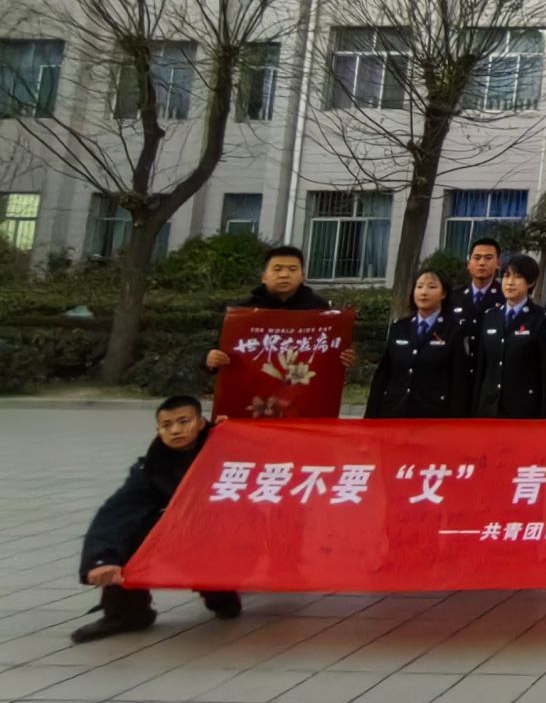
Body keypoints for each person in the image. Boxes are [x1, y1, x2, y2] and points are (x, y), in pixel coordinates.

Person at [71, 397, 241, 643]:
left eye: (184, 422)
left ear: (201, 422)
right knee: (132, 532)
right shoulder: (152, 467)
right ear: (158, 430)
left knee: (210, 539)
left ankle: (221, 595)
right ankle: (128, 614)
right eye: (167, 425)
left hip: (242, 531)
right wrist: (101, 559)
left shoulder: (231, 446)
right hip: (195, 533)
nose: (175, 430)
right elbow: (118, 512)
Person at [205, 246, 355, 374]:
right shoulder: (243, 311)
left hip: (302, 390)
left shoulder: (319, 309)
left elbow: (331, 350)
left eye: (292, 269)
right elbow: (220, 350)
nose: (284, 275)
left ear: (302, 276)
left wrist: (344, 358)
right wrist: (212, 359)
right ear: (264, 277)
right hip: (253, 388)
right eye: (277, 269)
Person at [366, 268, 467, 418]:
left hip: (434, 415)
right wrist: (371, 416)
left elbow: (459, 381)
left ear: (444, 293)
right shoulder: (399, 328)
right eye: (419, 286)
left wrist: (456, 422)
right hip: (395, 412)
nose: (423, 292)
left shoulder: (454, 330)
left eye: (431, 287)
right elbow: (383, 375)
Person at [467, 254, 546, 418]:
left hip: (524, 409)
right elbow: (482, 367)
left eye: (518, 277)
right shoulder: (490, 316)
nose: (510, 282)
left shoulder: (541, 318)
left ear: (530, 282)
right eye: (506, 276)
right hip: (490, 408)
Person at [451, 238, 506, 323]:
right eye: (477, 258)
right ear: (468, 264)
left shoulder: (505, 297)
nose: (482, 263)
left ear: (498, 263)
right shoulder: (454, 297)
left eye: (488, 258)